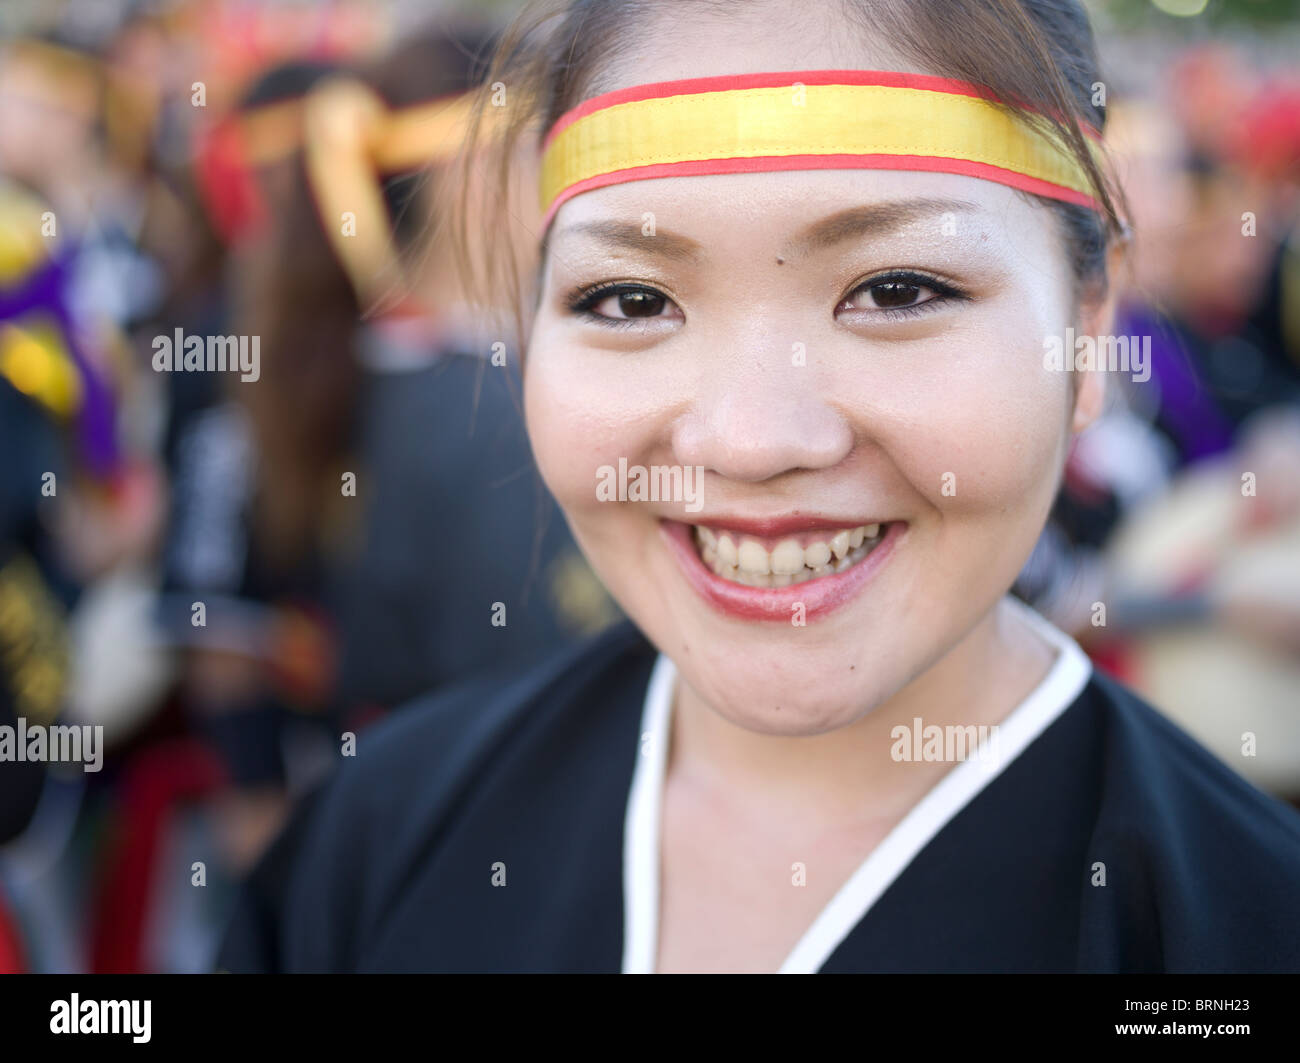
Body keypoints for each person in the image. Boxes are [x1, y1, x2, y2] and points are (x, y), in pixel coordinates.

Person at [218, 0, 1300, 973]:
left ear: (1087, 331)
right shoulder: (376, 839)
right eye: (631, 299)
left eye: (897, 287)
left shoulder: (1237, 925)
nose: (748, 440)